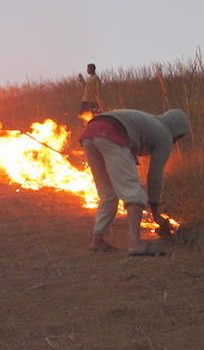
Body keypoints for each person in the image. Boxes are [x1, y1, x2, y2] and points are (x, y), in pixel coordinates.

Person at [79, 108, 191, 256]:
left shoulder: (151, 121)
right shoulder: (165, 135)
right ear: (177, 130)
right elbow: (155, 175)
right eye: (179, 137)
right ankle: (135, 243)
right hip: (112, 133)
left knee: (108, 194)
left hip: (90, 133)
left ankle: (96, 241)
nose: (176, 141)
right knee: (134, 193)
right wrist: (155, 211)